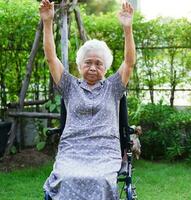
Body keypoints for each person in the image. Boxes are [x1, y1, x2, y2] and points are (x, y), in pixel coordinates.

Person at [39, 0, 136, 199]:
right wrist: (48, 23)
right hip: (72, 150)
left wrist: (128, 28)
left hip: (104, 151)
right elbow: (51, 58)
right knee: (65, 177)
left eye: (98, 64)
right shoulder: (69, 85)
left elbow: (129, 63)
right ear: (80, 65)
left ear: (106, 68)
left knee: (100, 180)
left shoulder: (113, 87)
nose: (93, 67)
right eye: (88, 63)